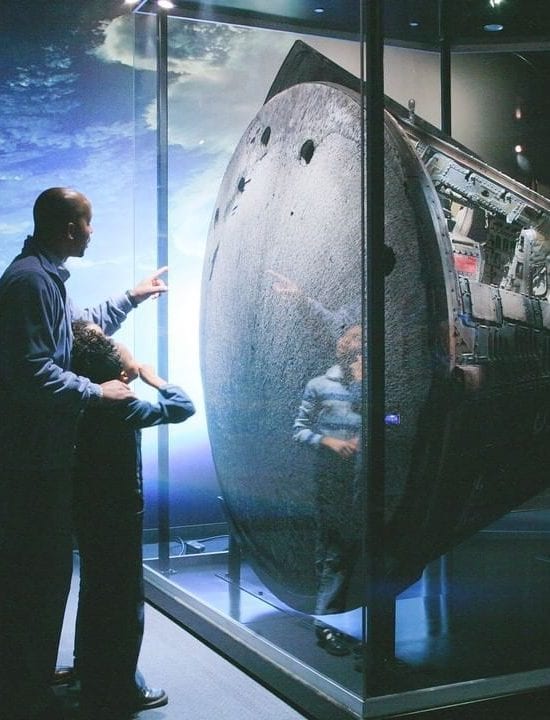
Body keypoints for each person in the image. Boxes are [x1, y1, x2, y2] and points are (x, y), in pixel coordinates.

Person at [0, 187, 167, 720]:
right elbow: (30, 371)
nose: (93, 232)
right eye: (88, 223)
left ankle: (28, 679)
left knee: (43, 577)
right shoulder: (31, 282)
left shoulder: (41, 277)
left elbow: (78, 331)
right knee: (38, 578)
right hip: (34, 461)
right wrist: (97, 392)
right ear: (71, 228)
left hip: (43, 457)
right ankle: (23, 695)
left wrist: (131, 298)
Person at [69, 321, 195, 720]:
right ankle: (121, 688)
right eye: (126, 354)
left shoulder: (81, 401)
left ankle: (87, 671)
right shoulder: (123, 405)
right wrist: (155, 378)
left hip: (87, 509)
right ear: (123, 375)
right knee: (123, 602)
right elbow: (183, 407)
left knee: (95, 591)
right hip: (120, 512)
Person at [293, 324, 363, 657]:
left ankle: (333, 620)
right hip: (331, 478)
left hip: (363, 479)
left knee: (341, 552)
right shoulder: (319, 385)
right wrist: (330, 442)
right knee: (336, 551)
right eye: (351, 338)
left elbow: (392, 419)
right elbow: (299, 430)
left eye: (360, 339)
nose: (354, 344)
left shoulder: (369, 385)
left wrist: (364, 389)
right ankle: (327, 625)